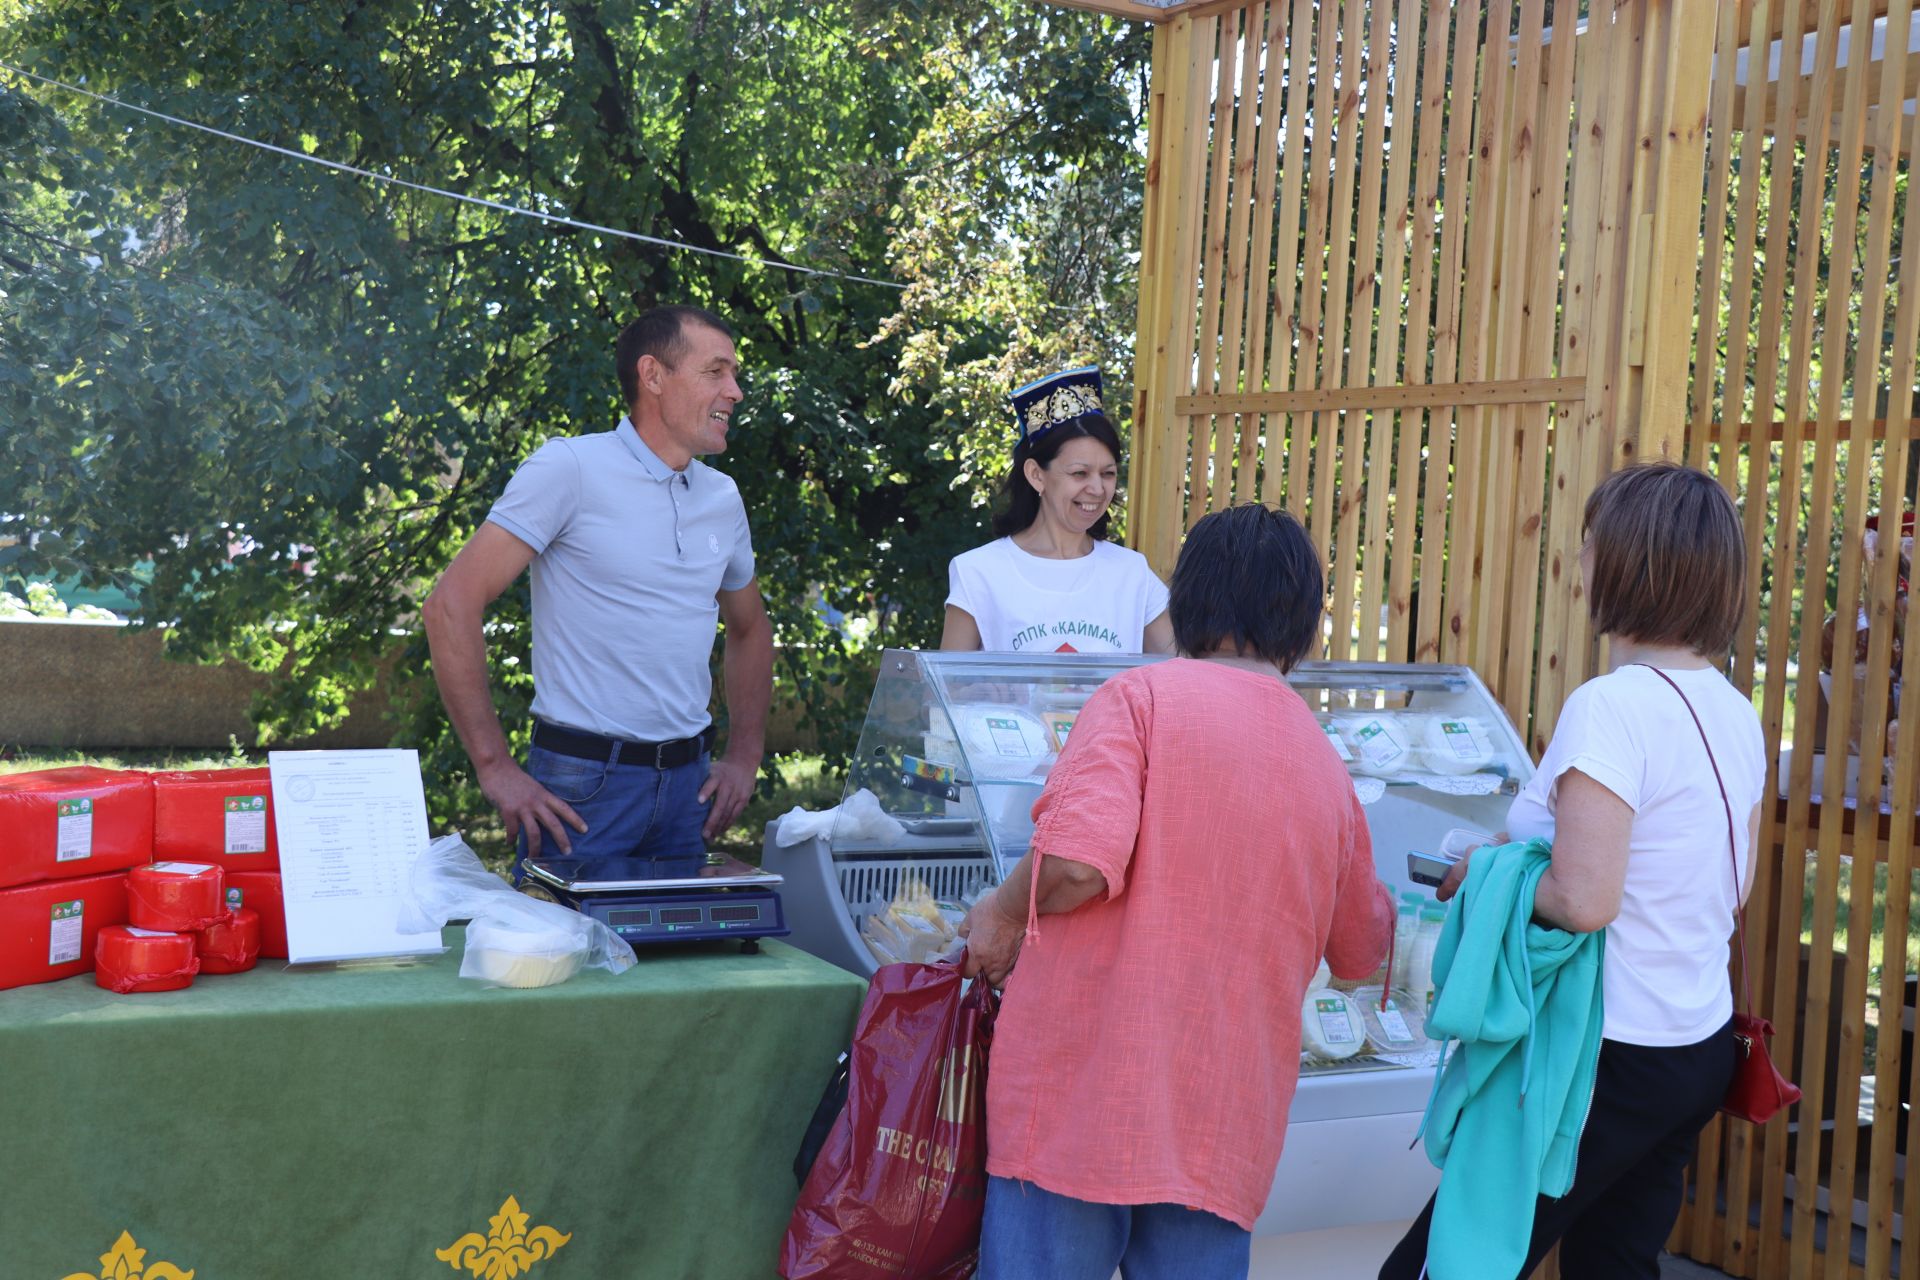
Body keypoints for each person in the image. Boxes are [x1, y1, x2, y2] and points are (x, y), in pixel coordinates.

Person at [959, 502, 1394, 1280]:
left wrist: (997, 911)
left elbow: (1075, 866)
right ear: (1303, 626)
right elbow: (1362, 951)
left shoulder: (1139, 701)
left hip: (1078, 1104)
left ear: (1187, 603)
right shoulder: (1325, 763)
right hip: (1222, 1120)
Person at [1379, 462, 1764, 1280]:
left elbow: (1584, 899)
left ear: (1627, 561)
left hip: (1598, 1054)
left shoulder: (1612, 705)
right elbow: (1737, 885)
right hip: (1693, 1043)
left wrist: (1487, 873)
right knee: (1616, 1265)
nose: (1578, 563)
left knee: (1441, 1266)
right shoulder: (1732, 709)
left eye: (1588, 545)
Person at [422, 305, 773, 873]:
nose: (734, 390)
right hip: (582, 790)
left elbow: (750, 628)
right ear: (653, 376)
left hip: (691, 791)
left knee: (686, 963)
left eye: (734, 374)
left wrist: (744, 754)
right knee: (569, 960)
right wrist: (494, 767)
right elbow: (449, 606)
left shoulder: (723, 497)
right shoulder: (570, 467)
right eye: (716, 372)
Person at [940, 366, 1174, 655]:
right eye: (1079, 473)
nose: (1097, 489)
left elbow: (1179, 675)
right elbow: (948, 690)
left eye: (1108, 473)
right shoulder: (978, 573)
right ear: (1036, 475)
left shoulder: (1132, 573)